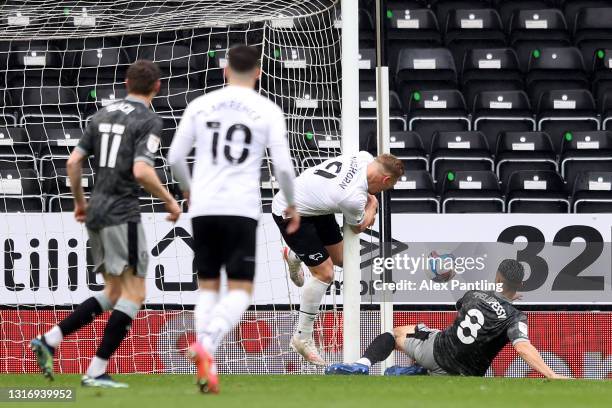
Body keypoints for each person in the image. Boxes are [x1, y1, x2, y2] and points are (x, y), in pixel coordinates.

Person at [30, 60, 181, 388]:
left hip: (97, 210)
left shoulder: (100, 115)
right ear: (157, 88)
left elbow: (73, 162)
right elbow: (141, 170)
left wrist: (81, 203)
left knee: (114, 292)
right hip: (122, 212)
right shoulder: (149, 120)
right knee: (135, 292)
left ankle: (50, 338)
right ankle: (97, 369)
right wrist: (170, 201)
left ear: (126, 82)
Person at [168, 44, 298, 394]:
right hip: (240, 209)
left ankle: (203, 352)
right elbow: (283, 166)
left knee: (208, 286)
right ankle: (207, 346)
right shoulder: (267, 109)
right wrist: (293, 205)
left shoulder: (201, 105)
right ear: (258, 72)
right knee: (241, 289)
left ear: (225, 70)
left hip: (204, 208)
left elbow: (175, 157)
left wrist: (188, 190)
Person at [326, 259, 569, 379]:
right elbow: (524, 348)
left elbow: (468, 309)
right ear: (520, 285)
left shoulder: (474, 294)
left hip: (438, 351)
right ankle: (421, 373)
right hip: (465, 376)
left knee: (396, 333)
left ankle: (363, 365)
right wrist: (552, 375)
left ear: (497, 277)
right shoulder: (516, 316)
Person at [272, 152, 404, 365]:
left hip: (314, 204)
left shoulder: (363, 157)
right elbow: (359, 226)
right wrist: (372, 206)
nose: (382, 192)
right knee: (325, 273)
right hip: (290, 211)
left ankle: (295, 254)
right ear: (385, 180)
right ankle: (302, 337)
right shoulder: (352, 198)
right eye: (386, 188)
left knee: (343, 259)